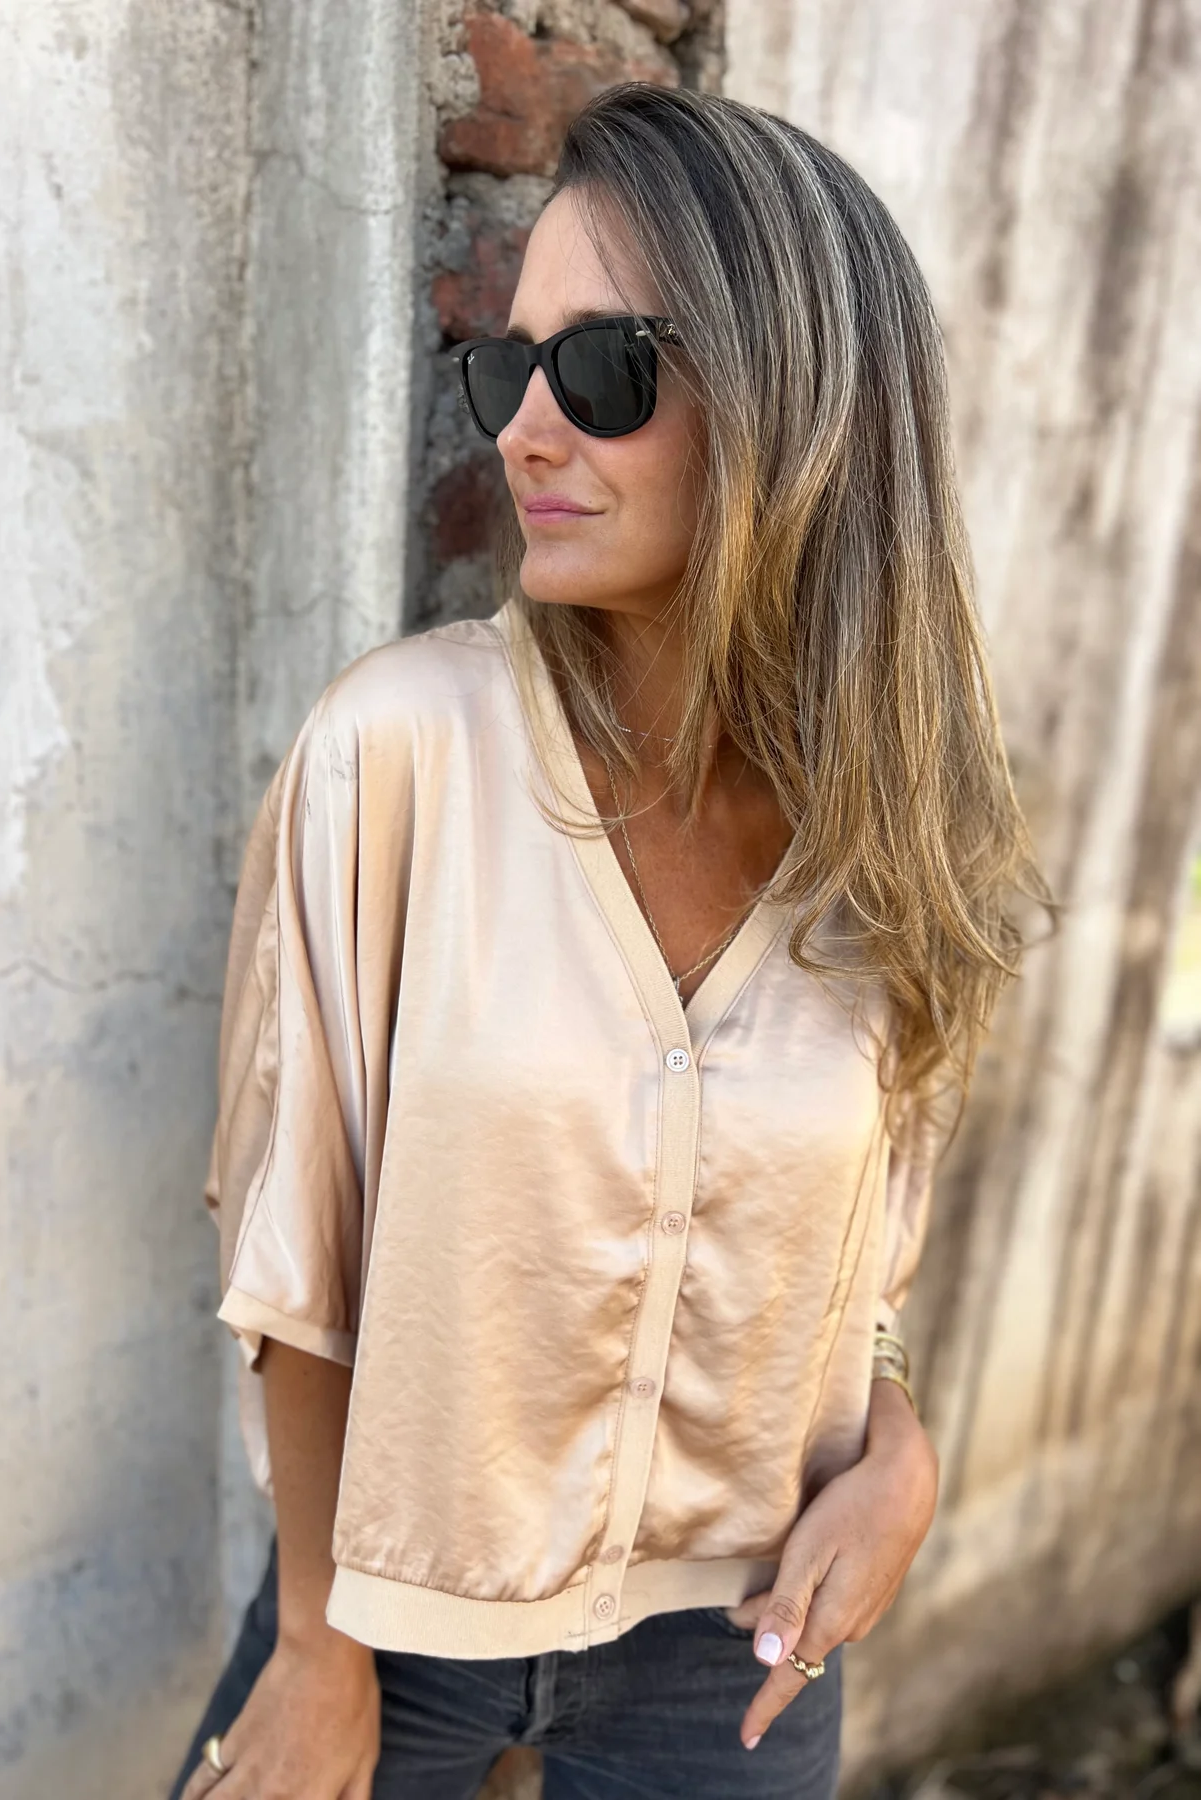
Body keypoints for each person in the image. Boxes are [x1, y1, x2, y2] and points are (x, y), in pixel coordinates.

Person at [174, 83, 1046, 1800]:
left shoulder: (893, 830)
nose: (521, 432)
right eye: (512, 369)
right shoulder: (394, 756)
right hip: (387, 1626)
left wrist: (902, 1453)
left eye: (602, 371)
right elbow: (298, 1249)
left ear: (794, 403)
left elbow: (857, 1267)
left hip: (736, 1653)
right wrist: (316, 1649)